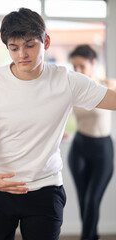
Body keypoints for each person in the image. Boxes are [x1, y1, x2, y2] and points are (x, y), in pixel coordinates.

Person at [0, 8, 116, 240]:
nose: (22, 54)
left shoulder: (67, 81)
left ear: (45, 41)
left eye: (30, 45)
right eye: (14, 48)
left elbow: (112, 100)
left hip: (45, 190)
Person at [67, 44, 114, 240]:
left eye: (82, 66)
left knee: (92, 201)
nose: (77, 71)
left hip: (102, 150)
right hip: (79, 148)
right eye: (74, 67)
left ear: (93, 63)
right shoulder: (73, 91)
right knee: (83, 203)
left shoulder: (108, 84)